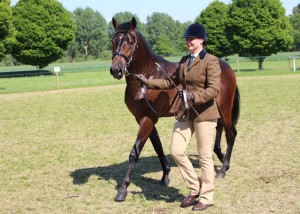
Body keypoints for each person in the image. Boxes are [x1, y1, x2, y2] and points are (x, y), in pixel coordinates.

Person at [135, 23, 221, 211]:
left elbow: (215, 89)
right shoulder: (184, 61)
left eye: (191, 38)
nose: (188, 41)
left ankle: (206, 196)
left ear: (201, 40)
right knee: (176, 151)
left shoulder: (211, 61)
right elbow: (170, 81)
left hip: (205, 114)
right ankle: (194, 187)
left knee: (204, 156)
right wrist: (148, 82)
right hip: (186, 112)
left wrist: (193, 96)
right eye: (187, 39)